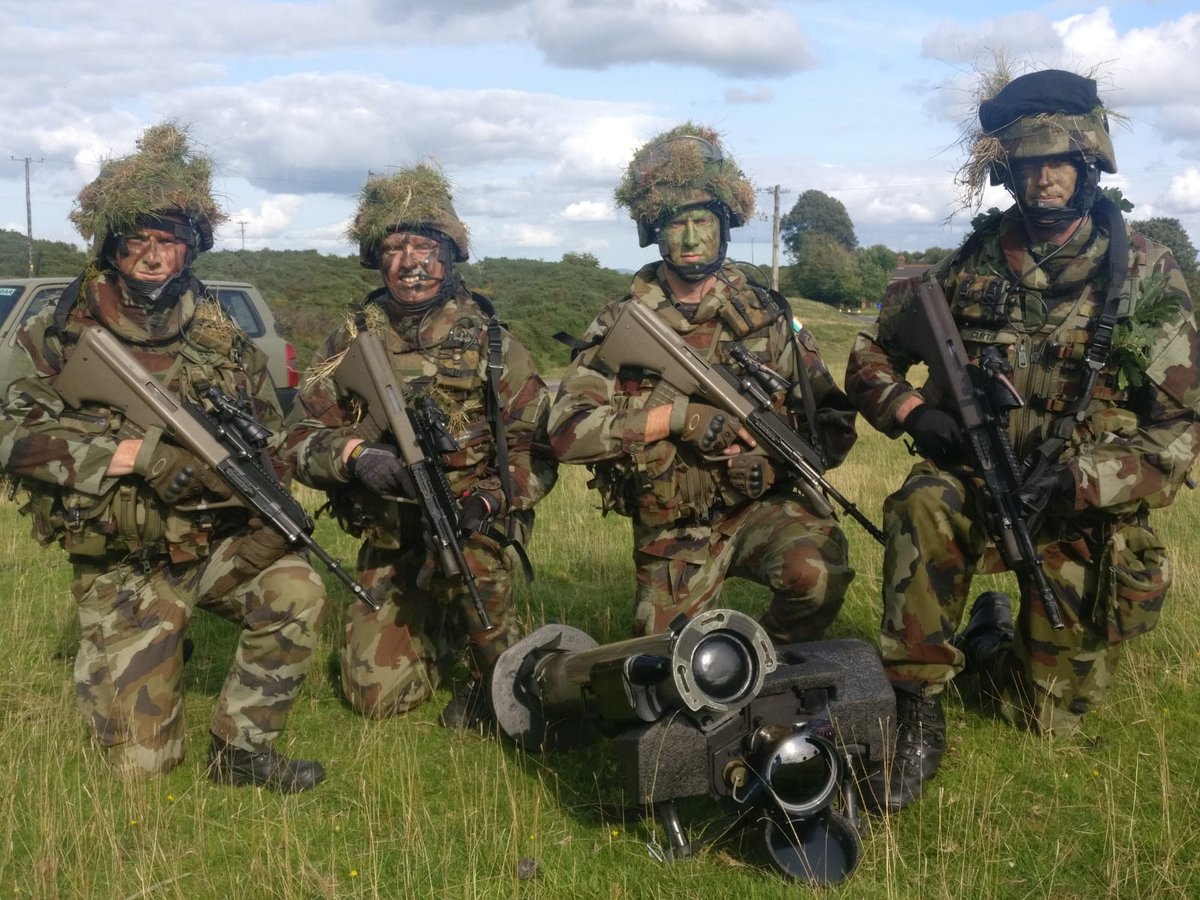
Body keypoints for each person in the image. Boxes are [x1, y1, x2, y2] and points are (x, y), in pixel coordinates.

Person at [845, 69, 1200, 812]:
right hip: (976, 494)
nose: (1044, 181)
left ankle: (988, 638)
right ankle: (915, 709)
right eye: (1029, 165)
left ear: (1090, 163)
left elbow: (1179, 435)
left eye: (1059, 163)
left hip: (1078, 516)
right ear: (1006, 171)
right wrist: (914, 413)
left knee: (1046, 722)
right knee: (924, 503)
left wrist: (1083, 481)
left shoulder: (1142, 272)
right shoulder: (963, 270)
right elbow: (868, 355)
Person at [0, 123, 329, 792]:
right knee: (140, 771)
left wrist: (270, 499)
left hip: (210, 544)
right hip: (125, 558)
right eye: (139, 240)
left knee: (299, 588)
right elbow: (12, 435)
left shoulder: (221, 336)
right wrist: (138, 456)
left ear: (190, 250)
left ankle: (243, 751)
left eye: (168, 241)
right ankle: (143, 645)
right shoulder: (61, 333)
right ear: (113, 246)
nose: (152, 256)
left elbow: (268, 429)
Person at [548, 123, 858, 640]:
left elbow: (832, 418)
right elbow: (564, 431)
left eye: (703, 220)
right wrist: (674, 419)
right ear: (655, 233)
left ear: (725, 225)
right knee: (670, 666)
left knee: (819, 570)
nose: (691, 239)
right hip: (674, 527)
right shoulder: (620, 323)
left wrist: (770, 459)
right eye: (676, 224)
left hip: (758, 510)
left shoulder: (766, 316)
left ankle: (771, 657)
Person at [283, 164, 557, 728]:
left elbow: (538, 451)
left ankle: (488, 659)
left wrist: (487, 501)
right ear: (376, 259)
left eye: (426, 246)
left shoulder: (491, 341)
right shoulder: (349, 341)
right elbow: (295, 440)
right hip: (391, 536)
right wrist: (358, 458)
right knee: (373, 697)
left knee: (477, 582)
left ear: (450, 254)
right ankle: (440, 633)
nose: (412, 263)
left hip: (469, 530)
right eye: (394, 248)